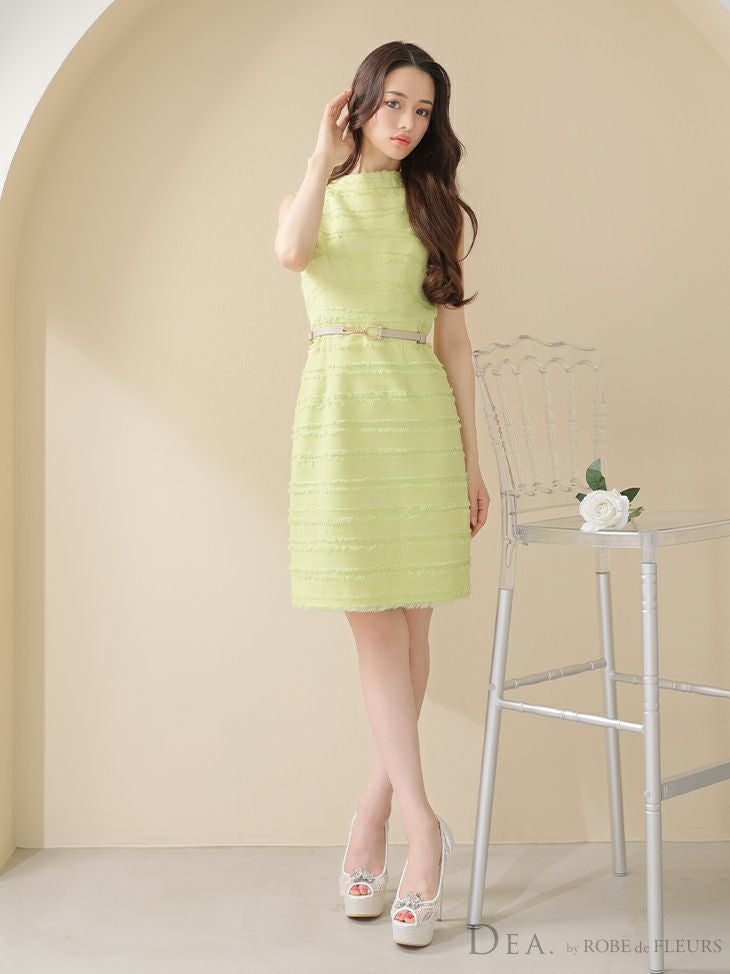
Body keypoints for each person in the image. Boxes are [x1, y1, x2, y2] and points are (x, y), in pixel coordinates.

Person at [274, 40, 490, 948]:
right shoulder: (313, 195)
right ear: (358, 105)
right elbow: (292, 253)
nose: (407, 123)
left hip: (418, 420)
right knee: (375, 628)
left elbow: (456, 348)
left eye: (423, 111)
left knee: (411, 629)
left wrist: (472, 463)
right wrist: (319, 158)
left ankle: (373, 814)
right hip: (341, 419)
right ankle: (424, 828)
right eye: (393, 103)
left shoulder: (433, 209)